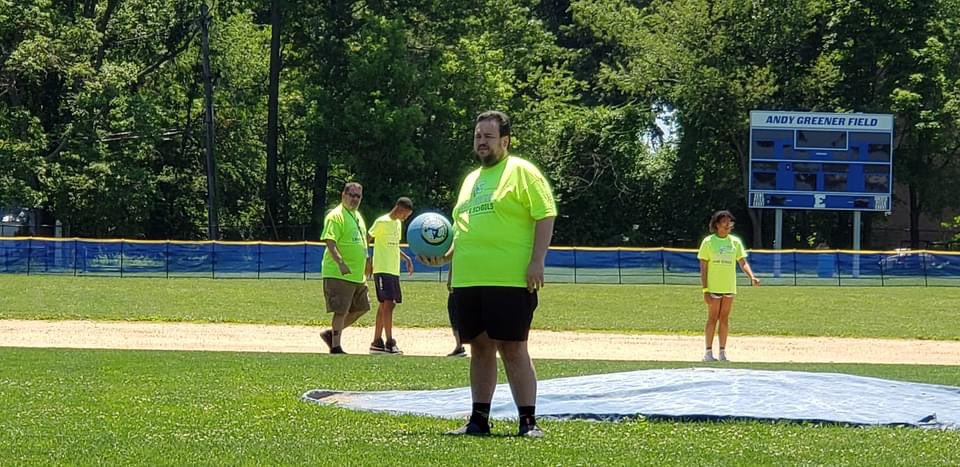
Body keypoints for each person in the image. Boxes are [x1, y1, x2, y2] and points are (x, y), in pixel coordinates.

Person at [422, 110, 557, 438]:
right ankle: (478, 420)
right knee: (480, 348)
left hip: (509, 278)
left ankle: (528, 422)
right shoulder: (471, 180)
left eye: (488, 136)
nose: (481, 141)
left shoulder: (522, 171)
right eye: (478, 136)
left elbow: (545, 214)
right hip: (469, 279)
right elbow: (463, 230)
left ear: (505, 141)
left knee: (513, 347)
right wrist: (445, 258)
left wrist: (537, 261)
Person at [697, 210, 760, 362]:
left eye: (729, 222)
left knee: (724, 318)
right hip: (713, 287)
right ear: (717, 224)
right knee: (712, 318)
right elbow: (704, 267)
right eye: (724, 222)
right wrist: (705, 289)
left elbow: (742, 262)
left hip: (729, 286)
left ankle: (722, 352)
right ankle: (708, 352)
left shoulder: (735, 242)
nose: (727, 225)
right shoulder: (708, 242)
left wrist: (752, 276)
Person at [319, 182, 370, 354]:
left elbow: (362, 242)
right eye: (352, 195)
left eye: (358, 196)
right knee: (341, 311)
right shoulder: (336, 216)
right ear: (343, 195)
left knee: (362, 308)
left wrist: (367, 261)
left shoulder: (357, 216)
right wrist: (340, 263)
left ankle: (331, 333)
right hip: (339, 273)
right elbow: (330, 241)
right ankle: (336, 346)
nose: (355, 199)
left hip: (357, 274)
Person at [367, 197, 415, 354]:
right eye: (405, 214)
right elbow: (367, 239)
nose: (405, 218)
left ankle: (376, 341)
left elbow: (394, 246)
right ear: (399, 208)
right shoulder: (382, 221)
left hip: (393, 270)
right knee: (388, 303)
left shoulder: (398, 224)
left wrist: (406, 258)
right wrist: (367, 259)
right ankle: (389, 342)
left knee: (386, 305)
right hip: (382, 268)